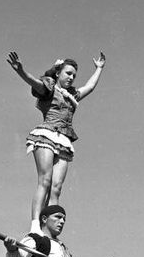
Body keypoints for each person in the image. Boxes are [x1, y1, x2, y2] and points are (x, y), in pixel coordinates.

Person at [7, 51, 106, 233]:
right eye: (68, 73)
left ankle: (50, 230)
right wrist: (20, 71)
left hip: (64, 141)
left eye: (74, 75)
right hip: (47, 135)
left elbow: (90, 87)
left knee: (56, 188)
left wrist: (99, 69)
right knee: (44, 180)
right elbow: (33, 82)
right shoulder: (49, 88)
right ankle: (35, 225)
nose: (71, 77)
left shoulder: (73, 94)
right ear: (58, 73)